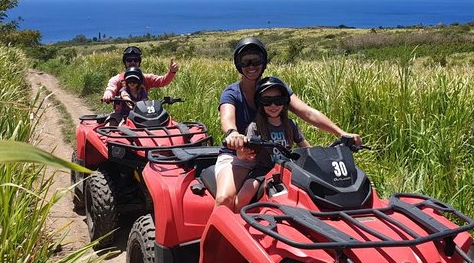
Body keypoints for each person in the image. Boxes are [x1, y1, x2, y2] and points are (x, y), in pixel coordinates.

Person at [215, 37, 362, 211]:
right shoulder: (232, 93)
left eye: (256, 60)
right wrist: (232, 134)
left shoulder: (274, 88)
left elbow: (307, 112)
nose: (251, 66)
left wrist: (340, 133)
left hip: (276, 158)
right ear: (238, 65)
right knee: (225, 199)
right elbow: (227, 118)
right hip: (240, 156)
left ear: (264, 62)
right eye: (245, 62)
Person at [233, 76, 310, 212]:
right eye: (267, 102)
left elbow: (306, 147)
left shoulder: (291, 125)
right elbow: (245, 153)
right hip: (263, 170)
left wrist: (318, 156)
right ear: (260, 103)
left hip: (288, 169)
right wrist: (243, 153)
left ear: (284, 102)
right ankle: (236, 221)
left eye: (278, 101)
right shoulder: (255, 127)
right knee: (244, 195)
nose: (273, 106)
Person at [102, 46, 179, 119]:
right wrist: (108, 94)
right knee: (112, 120)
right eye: (129, 60)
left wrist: (172, 72)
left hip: (142, 115)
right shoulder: (117, 79)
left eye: (136, 60)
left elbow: (162, 81)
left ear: (139, 62)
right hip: (121, 115)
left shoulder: (145, 78)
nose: (132, 62)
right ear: (125, 62)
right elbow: (111, 87)